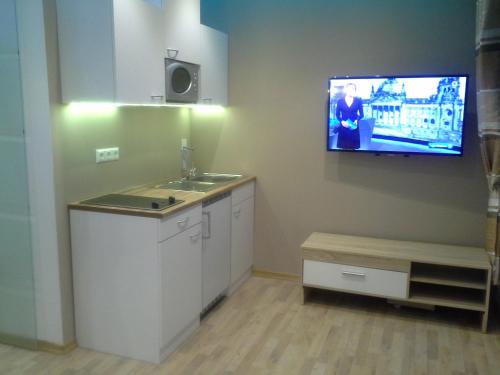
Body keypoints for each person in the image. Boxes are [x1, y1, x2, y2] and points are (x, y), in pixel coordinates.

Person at [335, 83, 364, 149]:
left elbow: (362, 114)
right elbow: (337, 115)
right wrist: (342, 121)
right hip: (344, 127)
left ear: (355, 91)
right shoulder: (340, 101)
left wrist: (357, 120)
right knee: (343, 148)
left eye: (353, 89)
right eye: (349, 88)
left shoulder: (358, 101)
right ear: (346, 90)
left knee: (353, 149)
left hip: (353, 126)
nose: (351, 90)